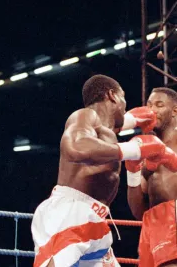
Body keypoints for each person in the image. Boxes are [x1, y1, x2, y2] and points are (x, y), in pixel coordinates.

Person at [31, 74, 165, 267]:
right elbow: (76, 146)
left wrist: (139, 119)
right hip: (71, 212)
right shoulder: (85, 115)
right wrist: (134, 149)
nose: (126, 104)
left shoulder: (106, 131)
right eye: (123, 97)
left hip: (96, 219)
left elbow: (116, 124)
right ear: (112, 96)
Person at [126, 87, 177, 267]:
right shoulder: (145, 149)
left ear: (174, 111)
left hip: (173, 215)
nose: (152, 110)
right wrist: (132, 171)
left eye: (159, 105)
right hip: (152, 223)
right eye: (149, 105)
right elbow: (138, 211)